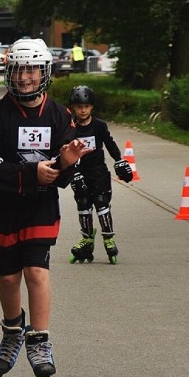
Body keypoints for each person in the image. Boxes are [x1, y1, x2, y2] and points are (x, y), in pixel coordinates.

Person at [0, 38, 91, 377]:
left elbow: (63, 170)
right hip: (2, 208)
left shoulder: (60, 116)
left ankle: (39, 341)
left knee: (36, 271)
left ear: (44, 73)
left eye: (32, 70)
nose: (25, 77)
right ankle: (12, 330)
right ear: (9, 72)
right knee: (9, 278)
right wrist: (29, 174)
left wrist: (67, 164)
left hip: (39, 207)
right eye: (18, 69)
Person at [66, 86, 134, 264]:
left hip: (98, 171)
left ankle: (108, 238)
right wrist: (70, 171)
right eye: (79, 106)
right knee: (83, 203)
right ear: (73, 107)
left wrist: (119, 160)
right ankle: (87, 239)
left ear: (92, 107)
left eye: (86, 106)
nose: (82, 110)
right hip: (80, 172)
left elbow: (109, 143)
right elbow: (63, 150)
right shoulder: (70, 128)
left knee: (102, 203)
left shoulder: (99, 126)